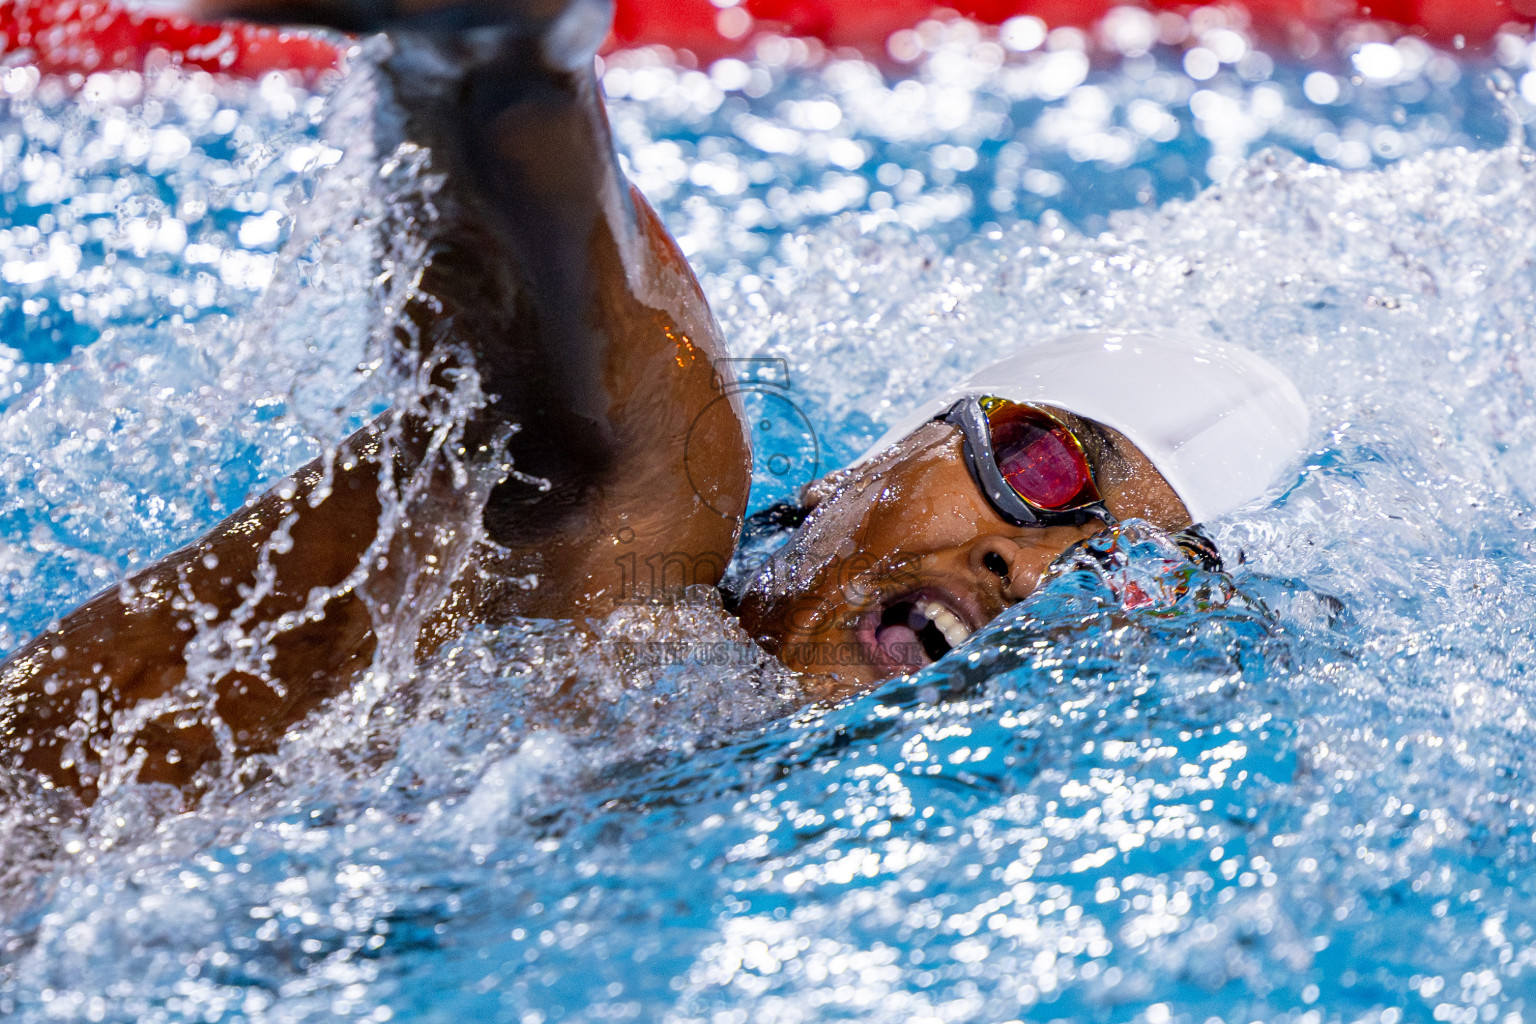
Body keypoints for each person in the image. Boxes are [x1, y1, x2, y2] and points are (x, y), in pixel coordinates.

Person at [0, 0, 1308, 802]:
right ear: (896, 445)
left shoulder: (726, 759)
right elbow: (580, 376)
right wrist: (497, 52)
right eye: (1042, 470)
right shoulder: (669, 519)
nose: (1019, 563)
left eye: (1115, 566)